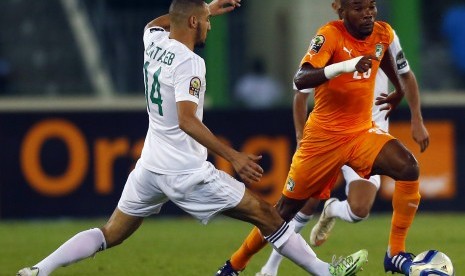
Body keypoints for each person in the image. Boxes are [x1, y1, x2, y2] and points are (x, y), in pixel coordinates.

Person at [16, 1, 368, 276]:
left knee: (111, 232)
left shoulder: (152, 41)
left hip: (150, 166)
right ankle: (326, 270)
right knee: (267, 214)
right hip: (186, 172)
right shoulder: (189, 64)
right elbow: (187, 120)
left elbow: (158, 22)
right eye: (208, 20)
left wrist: (205, 7)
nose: (211, 26)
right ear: (194, 23)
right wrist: (233, 156)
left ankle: (40, 268)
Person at [216, 0, 424, 275]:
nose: (369, 13)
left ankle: (395, 254)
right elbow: (301, 79)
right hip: (323, 140)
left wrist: (397, 88)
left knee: (408, 167)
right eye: (360, 8)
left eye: (372, 6)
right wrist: (344, 66)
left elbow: (384, 55)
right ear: (342, 11)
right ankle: (235, 264)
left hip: (361, 133)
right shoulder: (329, 35)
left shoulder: (382, 33)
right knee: (282, 212)